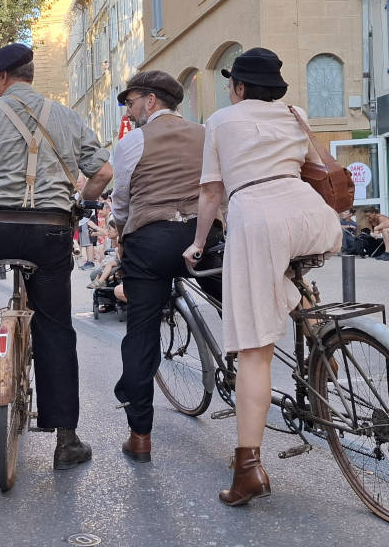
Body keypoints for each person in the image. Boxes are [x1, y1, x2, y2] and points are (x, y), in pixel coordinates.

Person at [0, 43, 112, 470]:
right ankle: (66, 440)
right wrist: (80, 202)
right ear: (29, 75)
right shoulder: (69, 118)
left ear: (0, 79)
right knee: (56, 329)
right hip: (50, 234)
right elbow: (103, 173)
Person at [182, 47, 342, 506]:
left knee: (254, 350)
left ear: (238, 87)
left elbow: (212, 191)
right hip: (313, 216)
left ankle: (248, 468)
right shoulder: (296, 112)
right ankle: (321, 331)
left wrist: (197, 243)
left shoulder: (221, 121)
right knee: (280, 281)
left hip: (259, 220)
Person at [110, 70, 223, 465]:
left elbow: (122, 201)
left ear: (151, 101)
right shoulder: (207, 133)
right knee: (236, 304)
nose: (130, 109)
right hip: (203, 236)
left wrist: (119, 232)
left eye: (131, 101)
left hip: (152, 241)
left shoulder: (132, 143)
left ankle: (140, 435)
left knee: (141, 333)